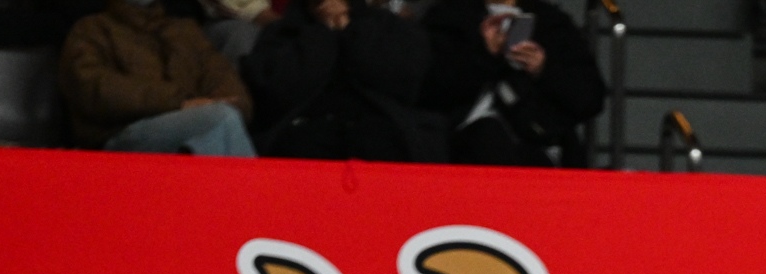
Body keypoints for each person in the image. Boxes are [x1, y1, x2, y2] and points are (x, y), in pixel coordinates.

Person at [244, 0, 442, 162]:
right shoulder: (281, 32)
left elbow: (400, 84)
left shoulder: (390, 27)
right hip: (304, 127)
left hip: (382, 123)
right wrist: (323, 31)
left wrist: (348, 28)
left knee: (385, 142)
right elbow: (278, 93)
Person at [421, 0, 605, 168]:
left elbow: (589, 99)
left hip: (538, 142)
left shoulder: (552, 23)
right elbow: (427, 90)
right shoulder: (447, 18)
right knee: (487, 134)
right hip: (461, 144)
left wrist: (543, 68)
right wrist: (484, 53)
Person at [60, 0, 257, 155]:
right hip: (118, 136)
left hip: (190, 125)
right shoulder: (91, 29)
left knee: (223, 117)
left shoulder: (185, 31)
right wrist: (179, 103)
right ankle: (252, 193)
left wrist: (228, 102)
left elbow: (222, 77)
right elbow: (93, 88)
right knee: (219, 119)